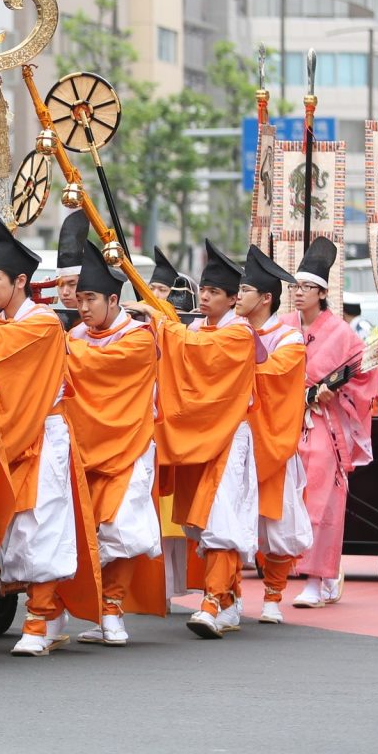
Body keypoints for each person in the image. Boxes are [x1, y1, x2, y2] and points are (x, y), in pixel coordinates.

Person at [140, 240, 259, 638]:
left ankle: (211, 603)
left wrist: (160, 319)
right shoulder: (194, 328)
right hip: (200, 431)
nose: (205, 298)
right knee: (204, 516)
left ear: (232, 300)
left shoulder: (239, 333)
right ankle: (228, 599)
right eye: (203, 291)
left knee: (222, 514)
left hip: (227, 435)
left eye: (213, 293)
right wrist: (161, 324)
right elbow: (181, 351)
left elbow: (199, 350)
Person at [0, 222, 85, 658]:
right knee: (14, 530)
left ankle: (40, 620)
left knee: (42, 525)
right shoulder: (0, 324)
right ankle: (47, 612)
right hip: (12, 435)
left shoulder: (41, 325)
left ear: (20, 282)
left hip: (44, 435)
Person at [61, 238, 164, 647]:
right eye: (80, 299)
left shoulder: (138, 338)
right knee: (87, 533)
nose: (82, 307)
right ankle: (92, 608)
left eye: (90, 299)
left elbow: (98, 368)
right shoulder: (76, 334)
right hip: (84, 448)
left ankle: (113, 608)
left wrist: (61, 350)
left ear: (113, 298)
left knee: (122, 531)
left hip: (128, 445)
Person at [285, 236, 370, 609]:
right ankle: (287, 570)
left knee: (322, 497)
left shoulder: (342, 334)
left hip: (322, 422)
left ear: (321, 292)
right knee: (289, 496)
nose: (299, 293)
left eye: (306, 287)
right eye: (296, 287)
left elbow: (362, 380)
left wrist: (332, 393)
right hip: (286, 420)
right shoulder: (284, 326)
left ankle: (320, 577)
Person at [239, 245, 311, 625]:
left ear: (265, 298)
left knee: (278, 525)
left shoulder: (289, 338)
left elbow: (272, 377)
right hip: (234, 440)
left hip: (273, 440)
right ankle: (228, 593)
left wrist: (240, 342)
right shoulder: (228, 329)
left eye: (244, 291)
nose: (237, 297)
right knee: (230, 522)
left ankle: (272, 595)